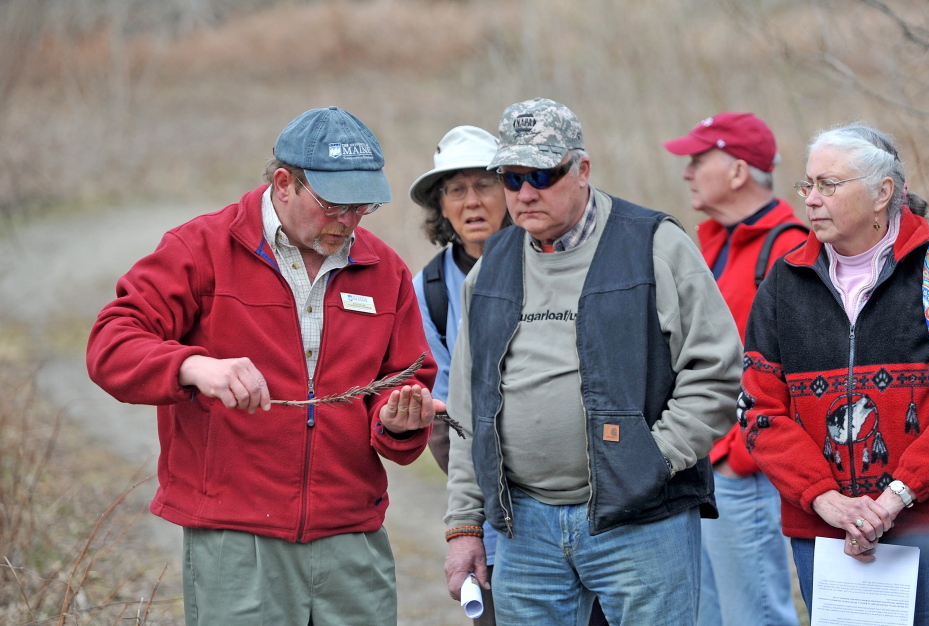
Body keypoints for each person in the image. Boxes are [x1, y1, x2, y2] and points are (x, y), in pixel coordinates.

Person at [86, 106, 442, 626]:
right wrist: (195, 367)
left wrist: (397, 421)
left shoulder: (383, 270)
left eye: (363, 206)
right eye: (333, 204)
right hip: (237, 540)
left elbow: (407, 380)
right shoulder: (202, 248)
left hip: (353, 541)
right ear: (283, 183)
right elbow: (110, 344)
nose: (349, 220)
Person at [443, 97, 743, 625]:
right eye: (511, 179)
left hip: (643, 522)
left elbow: (716, 372)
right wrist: (464, 526)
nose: (526, 192)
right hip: (524, 526)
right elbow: (469, 410)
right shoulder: (490, 268)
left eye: (542, 172)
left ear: (582, 169)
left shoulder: (654, 244)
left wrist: (651, 461)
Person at [740, 122, 929, 624]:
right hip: (826, 538)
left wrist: (895, 496)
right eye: (808, 185)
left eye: (829, 185)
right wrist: (825, 498)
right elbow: (758, 409)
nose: (811, 200)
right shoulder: (783, 282)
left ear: (883, 193)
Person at [663, 112, 804, 626]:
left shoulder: (791, 250)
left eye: (699, 159)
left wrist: (742, 455)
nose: (688, 171)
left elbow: (802, 369)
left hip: (745, 472)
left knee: (757, 614)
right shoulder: (713, 245)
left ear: (739, 171)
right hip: (701, 469)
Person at [409, 125, 511, 625]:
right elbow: (443, 412)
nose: (472, 201)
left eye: (485, 185)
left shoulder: (552, 261)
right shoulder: (428, 288)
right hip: (488, 504)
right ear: (441, 206)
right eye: (456, 189)